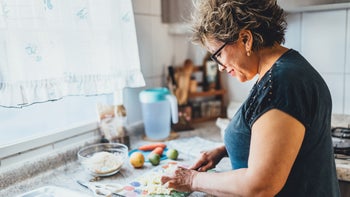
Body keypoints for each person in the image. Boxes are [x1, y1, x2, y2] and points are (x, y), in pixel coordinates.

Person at [161, 0, 341, 196]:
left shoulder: (282, 84)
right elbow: (277, 142)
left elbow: (260, 185)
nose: (220, 66)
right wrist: (225, 150)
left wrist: (191, 179)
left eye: (217, 54)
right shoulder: (285, 70)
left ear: (246, 39)